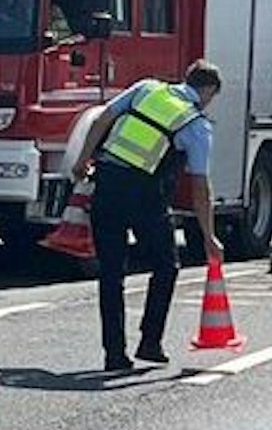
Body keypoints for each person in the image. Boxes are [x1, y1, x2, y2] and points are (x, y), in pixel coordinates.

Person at [69, 60, 224, 373]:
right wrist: (208, 235)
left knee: (111, 273)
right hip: (146, 197)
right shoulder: (196, 125)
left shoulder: (146, 88)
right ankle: (149, 342)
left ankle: (114, 354)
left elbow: (102, 119)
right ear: (207, 91)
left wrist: (83, 158)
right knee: (166, 266)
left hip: (108, 184)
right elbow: (200, 187)